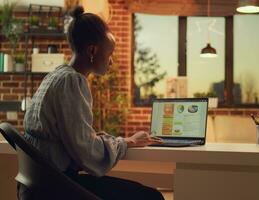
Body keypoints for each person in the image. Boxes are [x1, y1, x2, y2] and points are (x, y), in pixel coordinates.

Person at [21, 6, 164, 200]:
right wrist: (128, 142)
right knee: (152, 197)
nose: (111, 61)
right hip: (56, 188)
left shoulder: (55, 76)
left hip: (38, 186)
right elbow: (87, 153)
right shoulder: (73, 81)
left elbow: (68, 137)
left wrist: (98, 138)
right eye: (109, 53)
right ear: (92, 50)